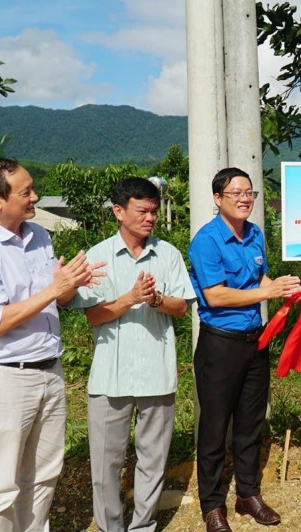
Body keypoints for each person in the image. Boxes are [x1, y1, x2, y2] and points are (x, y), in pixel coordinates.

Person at [0, 157, 104, 532]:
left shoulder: (40, 236)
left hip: (49, 370)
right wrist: (55, 288)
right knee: (1, 483)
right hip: (6, 378)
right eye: (26, 192)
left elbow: (52, 300)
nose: (35, 196)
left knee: (44, 474)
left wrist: (70, 287)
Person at [71, 178, 195, 532]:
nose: (151, 218)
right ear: (119, 211)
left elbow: (181, 308)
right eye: (142, 210)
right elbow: (94, 315)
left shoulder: (168, 254)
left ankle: (143, 526)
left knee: (153, 461)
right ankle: (112, 527)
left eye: (154, 211)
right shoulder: (98, 257)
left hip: (157, 373)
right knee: (106, 465)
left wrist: (156, 299)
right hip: (110, 377)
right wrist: (132, 297)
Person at [188, 167, 301, 531]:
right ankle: (212, 505)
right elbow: (215, 295)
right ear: (218, 199)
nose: (244, 198)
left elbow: (260, 278)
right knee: (215, 427)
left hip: (256, 342)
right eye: (235, 193)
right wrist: (266, 293)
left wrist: (282, 288)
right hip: (220, 344)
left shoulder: (254, 235)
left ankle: (247, 494)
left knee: (251, 423)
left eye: (249, 192)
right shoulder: (207, 240)